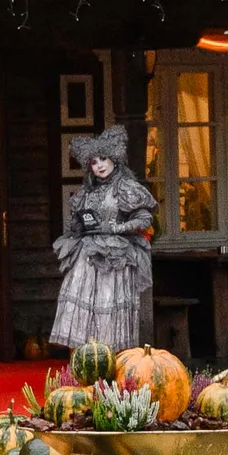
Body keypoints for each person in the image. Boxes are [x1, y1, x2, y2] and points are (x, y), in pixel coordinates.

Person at [50, 127, 156, 351]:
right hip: (88, 255)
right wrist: (80, 224)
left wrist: (119, 227)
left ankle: (112, 361)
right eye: (94, 162)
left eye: (104, 159)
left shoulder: (126, 187)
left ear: (114, 159)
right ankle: (87, 358)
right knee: (84, 307)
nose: (99, 165)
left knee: (109, 305)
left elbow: (145, 218)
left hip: (115, 257)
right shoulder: (88, 191)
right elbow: (76, 224)